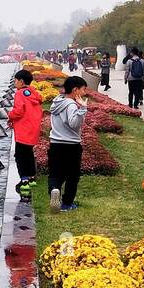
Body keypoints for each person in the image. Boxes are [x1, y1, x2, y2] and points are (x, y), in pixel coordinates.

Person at [48, 76, 88, 212]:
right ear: (75, 90)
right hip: (71, 145)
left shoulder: (57, 102)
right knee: (72, 175)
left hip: (55, 144)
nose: (84, 93)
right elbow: (74, 124)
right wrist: (82, 109)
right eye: (83, 89)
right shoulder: (71, 105)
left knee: (55, 173)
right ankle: (67, 203)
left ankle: (54, 190)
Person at [7, 69, 42, 200]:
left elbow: (18, 111)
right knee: (29, 154)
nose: (14, 83)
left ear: (21, 81)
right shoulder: (32, 92)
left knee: (20, 156)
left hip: (23, 129)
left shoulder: (19, 94)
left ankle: (24, 181)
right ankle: (32, 178)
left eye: (15, 80)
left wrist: (9, 116)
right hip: (33, 129)